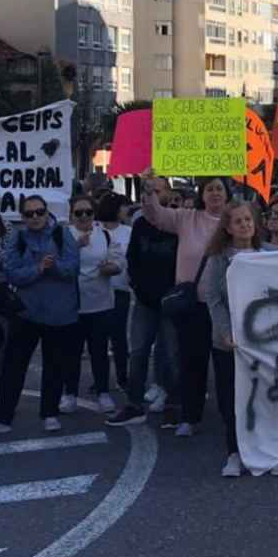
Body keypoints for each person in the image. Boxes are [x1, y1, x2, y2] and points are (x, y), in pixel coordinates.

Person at [0, 195, 81, 435]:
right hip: (26, 313)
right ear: (23, 216)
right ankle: (2, 415)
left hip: (59, 313)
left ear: (46, 212)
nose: (35, 217)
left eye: (39, 212)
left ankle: (50, 413)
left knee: (54, 365)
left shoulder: (62, 235)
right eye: (29, 213)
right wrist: (38, 268)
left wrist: (53, 267)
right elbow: (13, 273)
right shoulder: (18, 237)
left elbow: (72, 268)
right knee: (14, 366)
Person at [199, 200, 278, 477]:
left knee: (265, 398)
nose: (244, 225)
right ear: (227, 227)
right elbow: (213, 298)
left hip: (265, 340)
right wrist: (226, 332)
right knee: (231, 399)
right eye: (238, 221)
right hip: (230, 342)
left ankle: (270, 453)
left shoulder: (271, 253)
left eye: (248, 220)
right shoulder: (217, 258)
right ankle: (234, 453)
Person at [138, 172, 230, 437]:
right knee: (192, 362)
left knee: (227, 366)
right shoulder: (187, 219)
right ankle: (190, 416)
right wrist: (148, 188)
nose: (214, 193)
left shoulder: (235, 221)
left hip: (226, 306)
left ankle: (231, 419)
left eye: (219, 189)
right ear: (202, 194)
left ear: (227, 194)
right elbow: (155, 215)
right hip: (194, 306)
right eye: (210, 188)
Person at [107, 176, 181, 427]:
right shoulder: (140, 226)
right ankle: (134, 404)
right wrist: (137, 286)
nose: (154, 195)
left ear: (169, 195)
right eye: (149, 191)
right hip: (145, 302)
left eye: (159, 190)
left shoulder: (180, 223)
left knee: (171, 354)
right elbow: (133, 258)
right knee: (137, 353)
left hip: (172, 301)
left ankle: (173, 404)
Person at [67, 195, 124, 413]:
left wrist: (112, 267)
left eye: (88, 212)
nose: (83, 217)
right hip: (71, 304)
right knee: (70, 353)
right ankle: (69, 393)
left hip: (100, 303)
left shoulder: (106, 235)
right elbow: (57, 260)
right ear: (71, 215)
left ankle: (103, 391)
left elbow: (118, 261)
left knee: (99, 352)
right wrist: (75, 247)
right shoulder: (64, 236)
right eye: (79, 213)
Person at [96, 193, 133, 401]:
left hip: (120, 289)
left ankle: (122, 376)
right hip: (96, 290)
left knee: (119, 336)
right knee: (98, 337)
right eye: (123, 207)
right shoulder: (94, 229)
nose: (126, 211)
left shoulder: (128, 231)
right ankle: (99, 379)